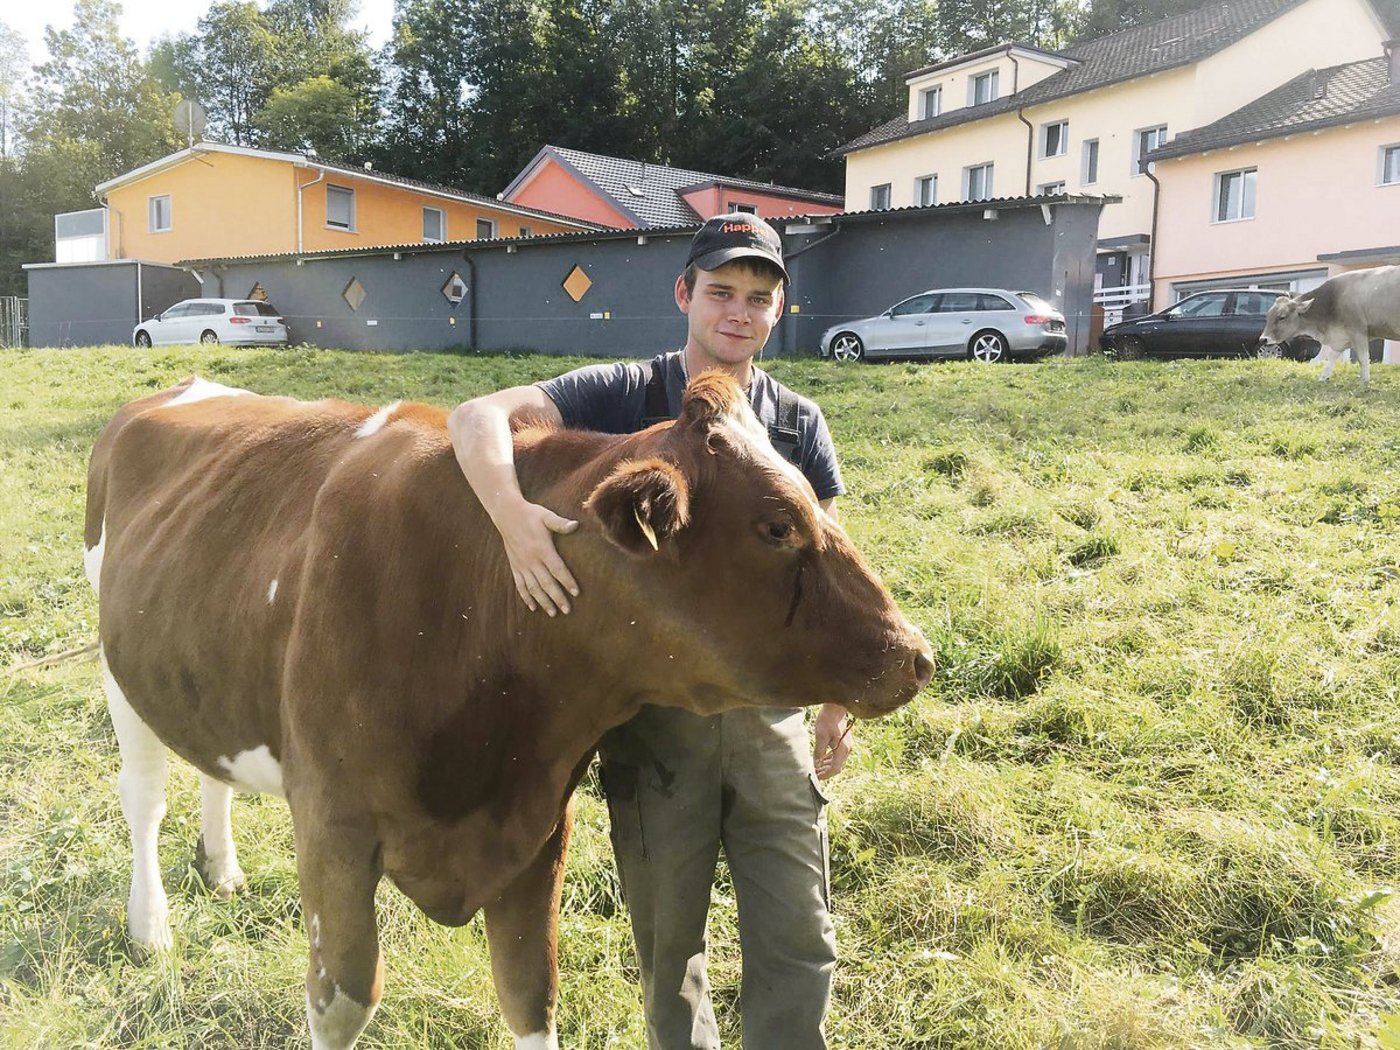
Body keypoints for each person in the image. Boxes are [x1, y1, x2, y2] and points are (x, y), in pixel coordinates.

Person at [446, 213, 851, 1049]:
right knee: (672, 951)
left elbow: (831, 574)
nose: (738, 313)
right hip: (657, 727)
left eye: (759, 298)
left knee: (801, 936)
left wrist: (836, 700)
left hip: (768, 718)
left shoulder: (796, 422)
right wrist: (515, 523)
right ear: (685, 295)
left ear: (780, 311)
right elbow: (476, 416)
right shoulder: (624, 392)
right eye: (721, 293)